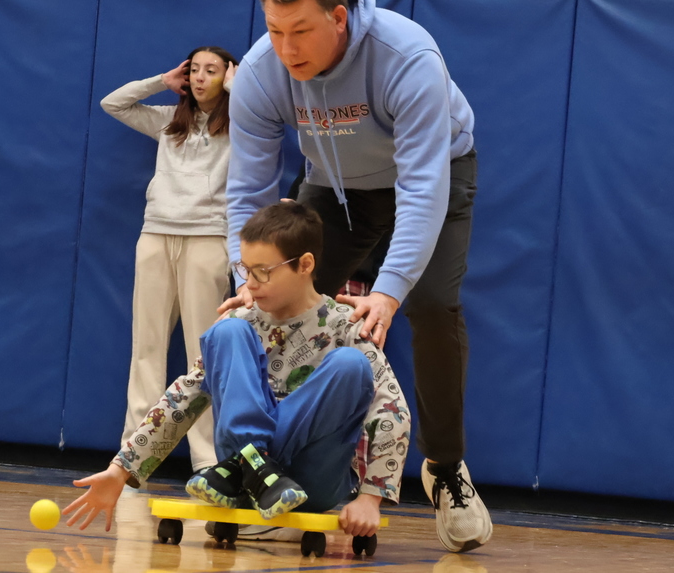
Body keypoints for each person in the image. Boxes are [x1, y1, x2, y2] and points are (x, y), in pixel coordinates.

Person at [220, 0, 491, 553]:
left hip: (434, 175)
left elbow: (421, 190)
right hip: (336, 186)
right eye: (274, 31)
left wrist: (389, 292)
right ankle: (269, 471)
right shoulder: (258, 74)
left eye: (300, 31)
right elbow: (247, 192)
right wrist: (248, 277)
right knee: (273, 304)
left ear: (339, 17)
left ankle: (444, 469)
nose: (287, 48)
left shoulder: (406, 55)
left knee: (432, 305)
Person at [63, 202, 410, 539]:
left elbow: (391, 409)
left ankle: (254, 467)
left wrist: (370, 497)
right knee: (226, 330)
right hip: (237, 477)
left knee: (350, 364)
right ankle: (252, 462)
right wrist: (120, 471)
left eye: (263, 272)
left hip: (309, 482)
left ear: (304, 264)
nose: (251, 283)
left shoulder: (345, 325)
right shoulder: (242, 320)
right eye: (245, 270)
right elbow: (184, 395)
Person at [100, 46, 238, 475]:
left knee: (204, 353)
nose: (200, 78)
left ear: (226, 76)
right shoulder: (168, 122)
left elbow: (272, 123)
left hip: (208, 240)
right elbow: (114, 103)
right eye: (194, 70)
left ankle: (206, 461)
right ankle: (132, 456)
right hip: (156, 234)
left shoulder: (243, 125)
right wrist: (162, 79)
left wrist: (241, 90)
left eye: (211, 71)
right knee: (148, 344)